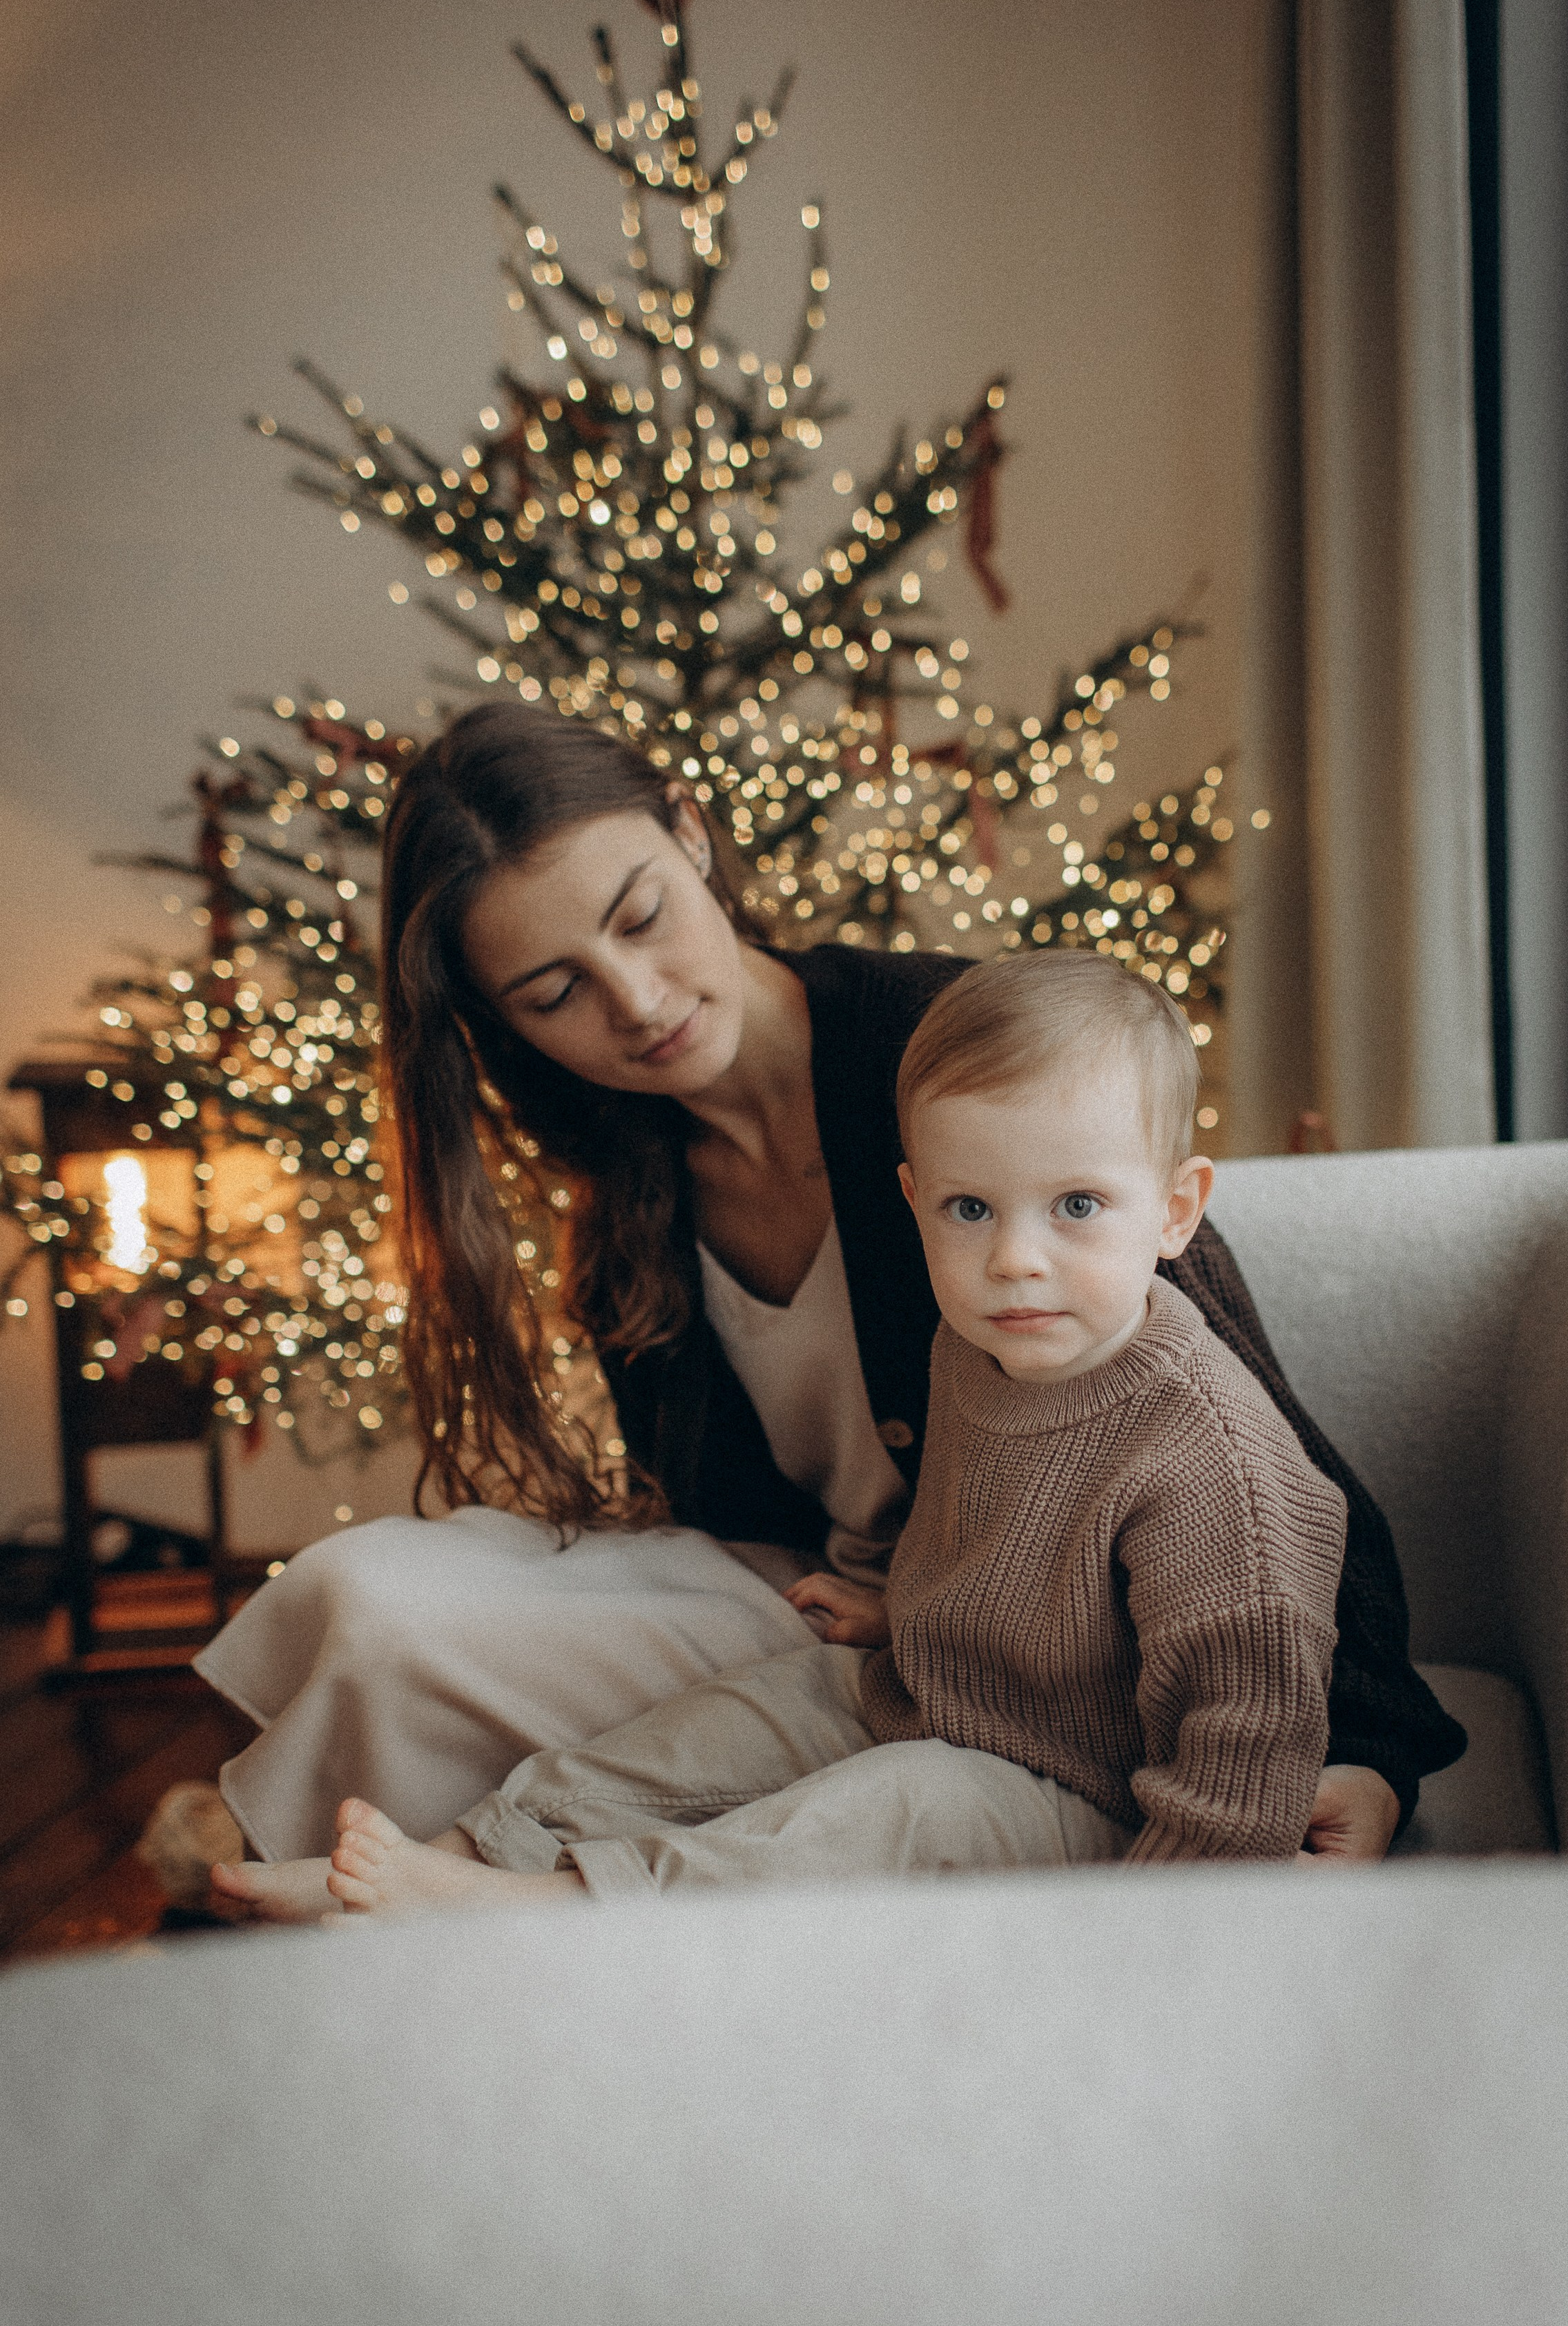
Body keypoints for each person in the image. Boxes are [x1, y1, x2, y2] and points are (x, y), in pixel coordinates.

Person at [208, 701, 1463, 1923]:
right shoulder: (625, 1187)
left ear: (690, 833)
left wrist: (1364, 1754)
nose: (635, 1002)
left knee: (864, 1802)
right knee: (367, 1598)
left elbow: (1267, 1482)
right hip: (870, 1615)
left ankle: (525, 1909)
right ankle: (414, 1874)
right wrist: (897, 1606)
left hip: (1050, 1698)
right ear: (501, 1024)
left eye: (641, 918)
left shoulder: (962, 1067)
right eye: (553, 993)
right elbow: (741, 1520)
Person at [313, 949, 1350, 1915]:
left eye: (1076, 1205)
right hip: (940, 1690)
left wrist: (1144, 1935)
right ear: (914, 1200)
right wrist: (902, 1605)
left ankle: (554, 1909)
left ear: (1175, 1210)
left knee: (881, 1812)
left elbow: (1244, 1753)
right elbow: (1002, 1554)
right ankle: (467, 1853)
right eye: (970, 1209)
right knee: (719, 1727)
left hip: (1093, 1797)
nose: (1014, 1260)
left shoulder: (1210, 1456)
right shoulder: (978, 1347)